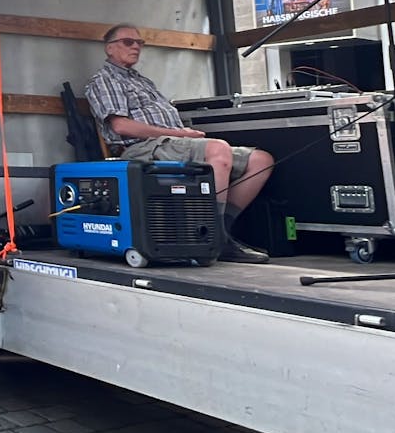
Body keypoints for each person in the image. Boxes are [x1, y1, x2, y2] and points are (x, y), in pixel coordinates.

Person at [83, 24, 273, 264]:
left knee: (261, 160)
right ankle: (212, 238)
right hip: (141, 148)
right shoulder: (104, 80)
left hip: (172, 142)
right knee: (218, 149)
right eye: (128, 42)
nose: (136, 47)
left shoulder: (143, 81)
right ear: (110, 48)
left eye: (140, 43)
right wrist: (177, 133)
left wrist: (182, 134)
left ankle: (218, 232)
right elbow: (121, 126)